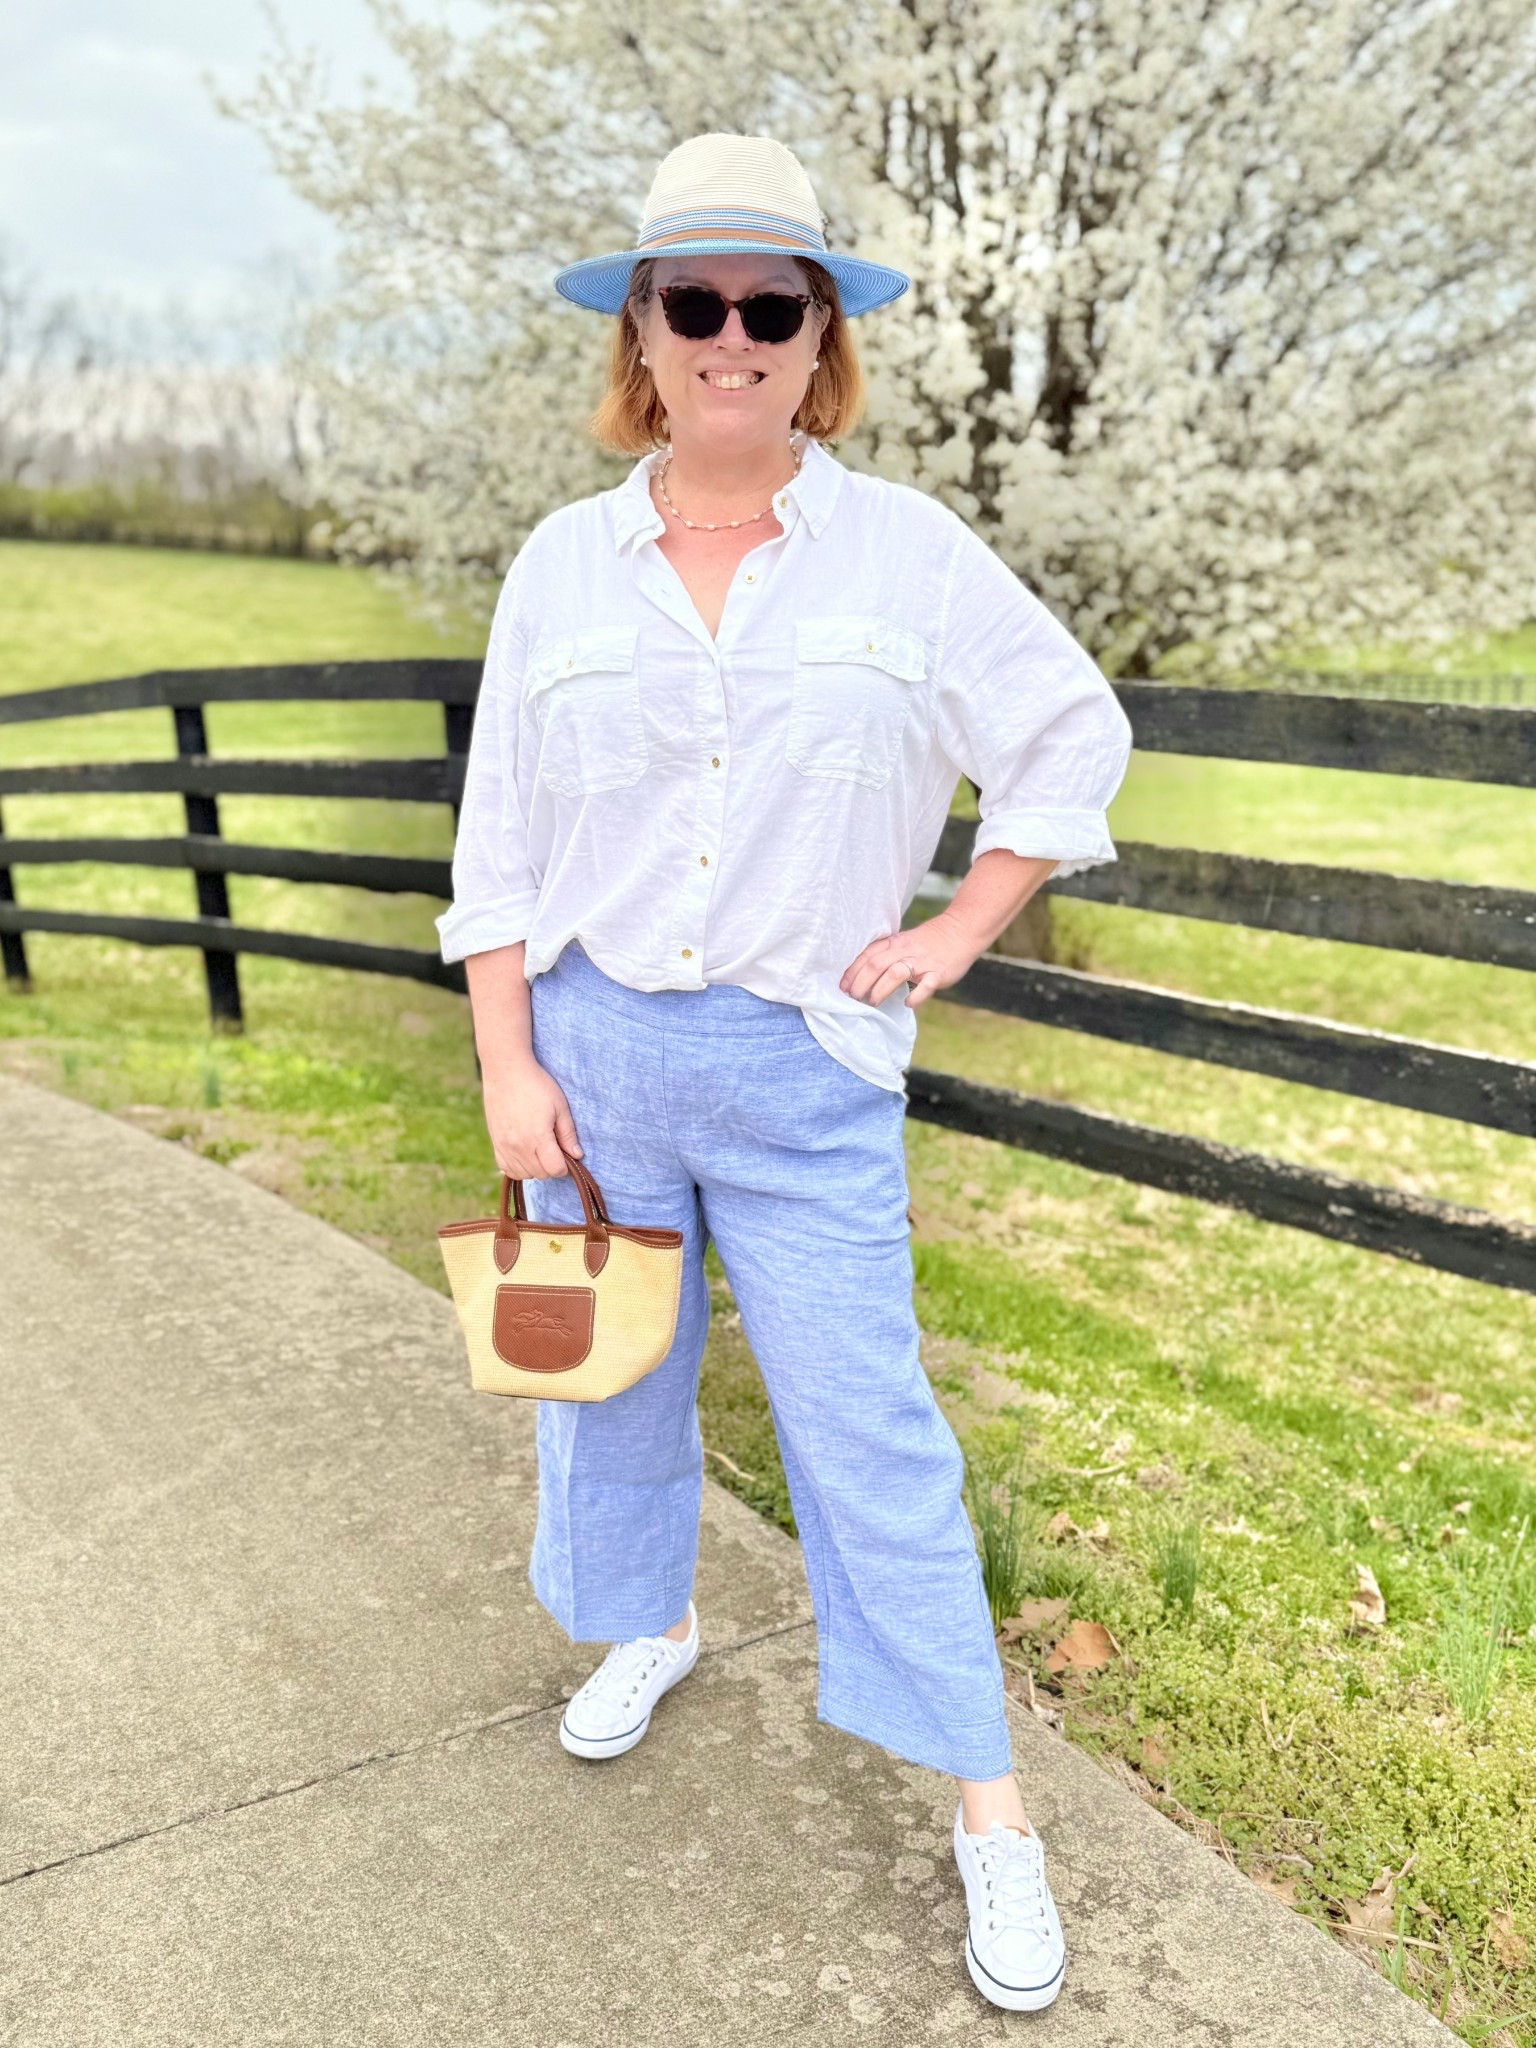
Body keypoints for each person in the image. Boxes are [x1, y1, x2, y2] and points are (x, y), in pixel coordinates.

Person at [436, 131, 1133, 2014]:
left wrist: (957, 931)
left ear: (816, 337)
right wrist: (508, 1058)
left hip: (808, 1071)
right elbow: (495, 839)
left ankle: (990, 1814)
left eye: (773, 303)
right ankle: (649, 1619)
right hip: (591, 1058)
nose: (731, 334)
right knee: (602, 1389)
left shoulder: (907, 550)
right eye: (695, 302)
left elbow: (1068, 732)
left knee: (868, 1430)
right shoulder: (563, 568)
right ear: (641, 334)